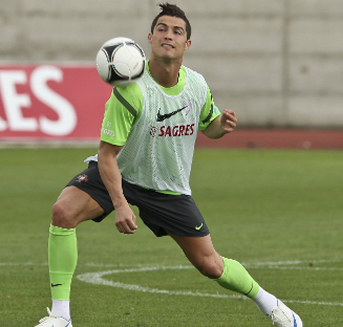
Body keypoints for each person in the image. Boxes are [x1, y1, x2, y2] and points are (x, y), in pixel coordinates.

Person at [35, 3, 303, 327]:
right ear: (149, 37)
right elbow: (106, 155)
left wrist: (223, 126)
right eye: (162, 29)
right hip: (121, 174)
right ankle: (61, 317)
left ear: (187, 44)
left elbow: (209, 125)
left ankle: (271, 304)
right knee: (62, 213)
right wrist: (120, 205)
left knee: (211, 265)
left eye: (177, 31)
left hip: (168, 187)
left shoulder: (197, 85)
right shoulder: (130, 89)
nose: (168, 35)